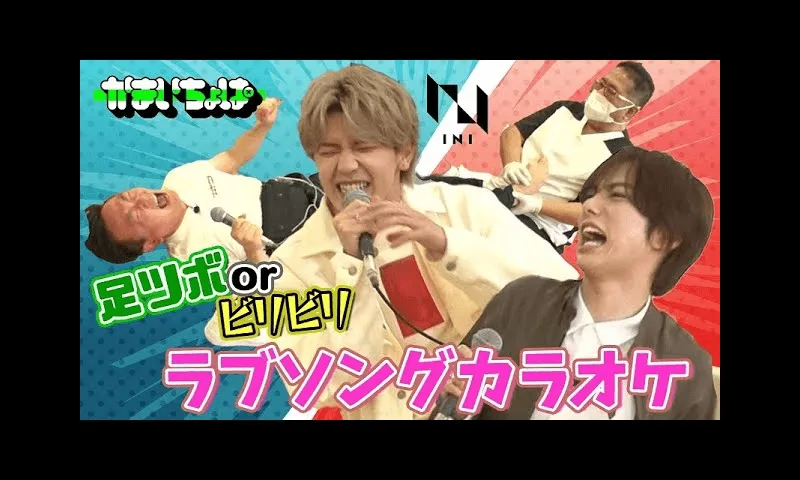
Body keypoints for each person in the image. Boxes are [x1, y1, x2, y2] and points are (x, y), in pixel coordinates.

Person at [207, 63, 580, 420]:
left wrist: (448, 246)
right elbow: (323, 382)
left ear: (404, 154)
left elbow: (567, 300)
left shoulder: (464, 207)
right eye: (329, 151)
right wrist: (349, 267)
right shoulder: (294, 262)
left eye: (364, 146)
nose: (346, 165)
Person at [454, 147, 716, 420]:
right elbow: (454, 401)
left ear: (663, 236)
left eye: (617, 195)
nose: (589, 205)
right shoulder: (523, 300)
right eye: (591, 194)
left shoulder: (686, 370)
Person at [423, 61, 655, 254]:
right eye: (600, 83)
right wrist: (513, 165)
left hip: (539, 225)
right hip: (502, 189)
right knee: (424, 189)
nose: (599, 93)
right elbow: (513, 132)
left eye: (611, 91)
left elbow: (593, 212)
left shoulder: (621, 159)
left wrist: (535, 203)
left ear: (630, 111)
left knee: (472, 240)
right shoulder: (566, 110)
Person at [83, 98, 324, 266]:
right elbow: (269, 287)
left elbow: (232, 158)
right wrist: (253, 250)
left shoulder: (178, 177)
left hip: (304, 187)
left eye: (127, 195)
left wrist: (262, 126)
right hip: (303, 237)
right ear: (150, 243)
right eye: (135, 215)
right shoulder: (194, 262)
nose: (140, 198)